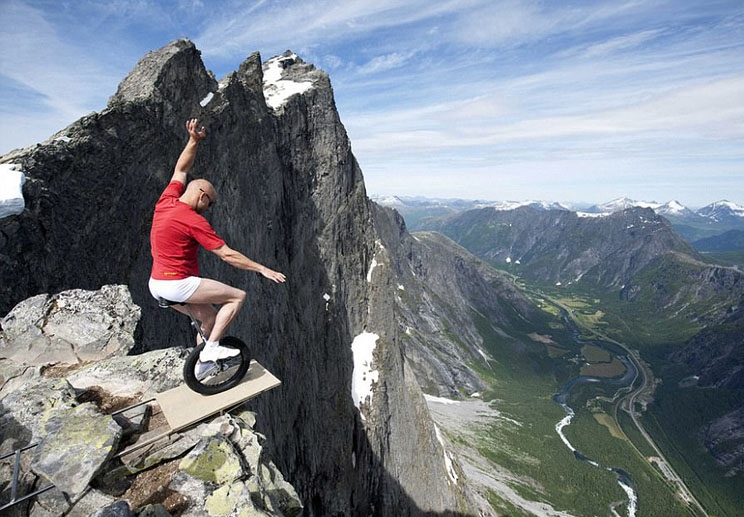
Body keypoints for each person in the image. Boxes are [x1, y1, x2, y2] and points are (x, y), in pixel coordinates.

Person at [149, 118, 286, 362]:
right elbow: (226, 254)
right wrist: (261, 268)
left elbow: (180, 169)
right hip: (177, 284)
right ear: (201, 196)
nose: (208, 209)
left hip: (156, 284)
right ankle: (211, 349)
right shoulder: (193, 220)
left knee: (209, 318)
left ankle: (200, 365)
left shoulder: (166, 201)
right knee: (237, 296)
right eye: (209, 203)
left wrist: (193, 141)